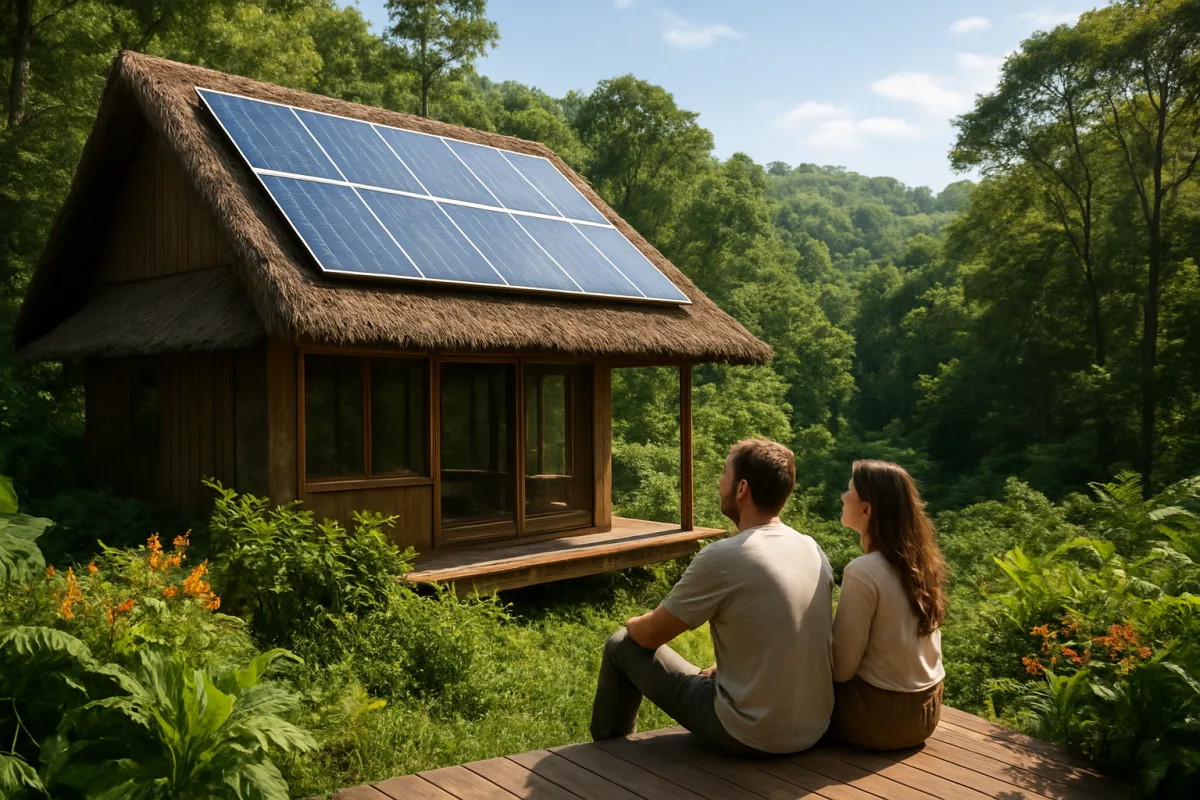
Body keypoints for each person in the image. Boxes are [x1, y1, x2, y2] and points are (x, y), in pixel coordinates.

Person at [590, 438, 835, 755]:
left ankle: (606, 757)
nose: (720, 482)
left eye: (724, 473)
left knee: (621, 645)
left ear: (742, 488)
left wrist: (632, 620)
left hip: (749, 733)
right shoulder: (811, 548)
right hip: (812, 728)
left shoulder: (726, 556)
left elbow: (648, 635)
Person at [832, 459, 947, 750]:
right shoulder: (922, 564)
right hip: (926, 713)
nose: (843, 497)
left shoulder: (863, 571)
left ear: (867, 510)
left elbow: (841, 670)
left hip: (877, 719)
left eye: (849, 490)